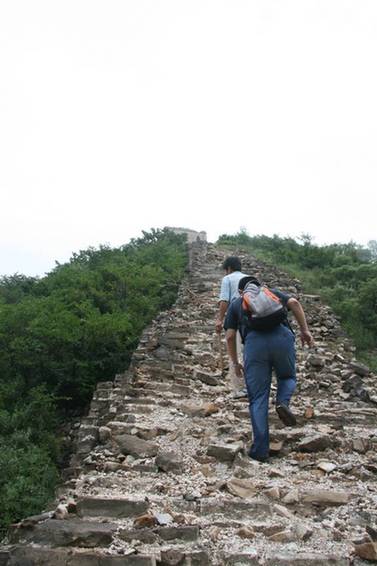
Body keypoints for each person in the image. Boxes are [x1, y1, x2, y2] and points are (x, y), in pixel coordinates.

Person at [224, 275, 314, 462]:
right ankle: (282, 402)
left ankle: (260, 450)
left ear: (241, 291)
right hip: (282, 338)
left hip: (254, 344)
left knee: (258, 398)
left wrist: (235, 363)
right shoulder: (271, 293)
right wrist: (305, 331)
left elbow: (230, 337)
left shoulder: (236, 304)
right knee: (287, 377)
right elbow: (295, 303)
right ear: (259, 286)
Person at [216, 257, 248, 398]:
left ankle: (239, 389)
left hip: (237, 319)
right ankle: (253, 385)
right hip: (254, 320)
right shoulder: (250, 278)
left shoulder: (227, 279)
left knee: (234, 352)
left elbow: (224, 301)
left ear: (228, 268)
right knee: (249, 353)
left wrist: (220, 319)